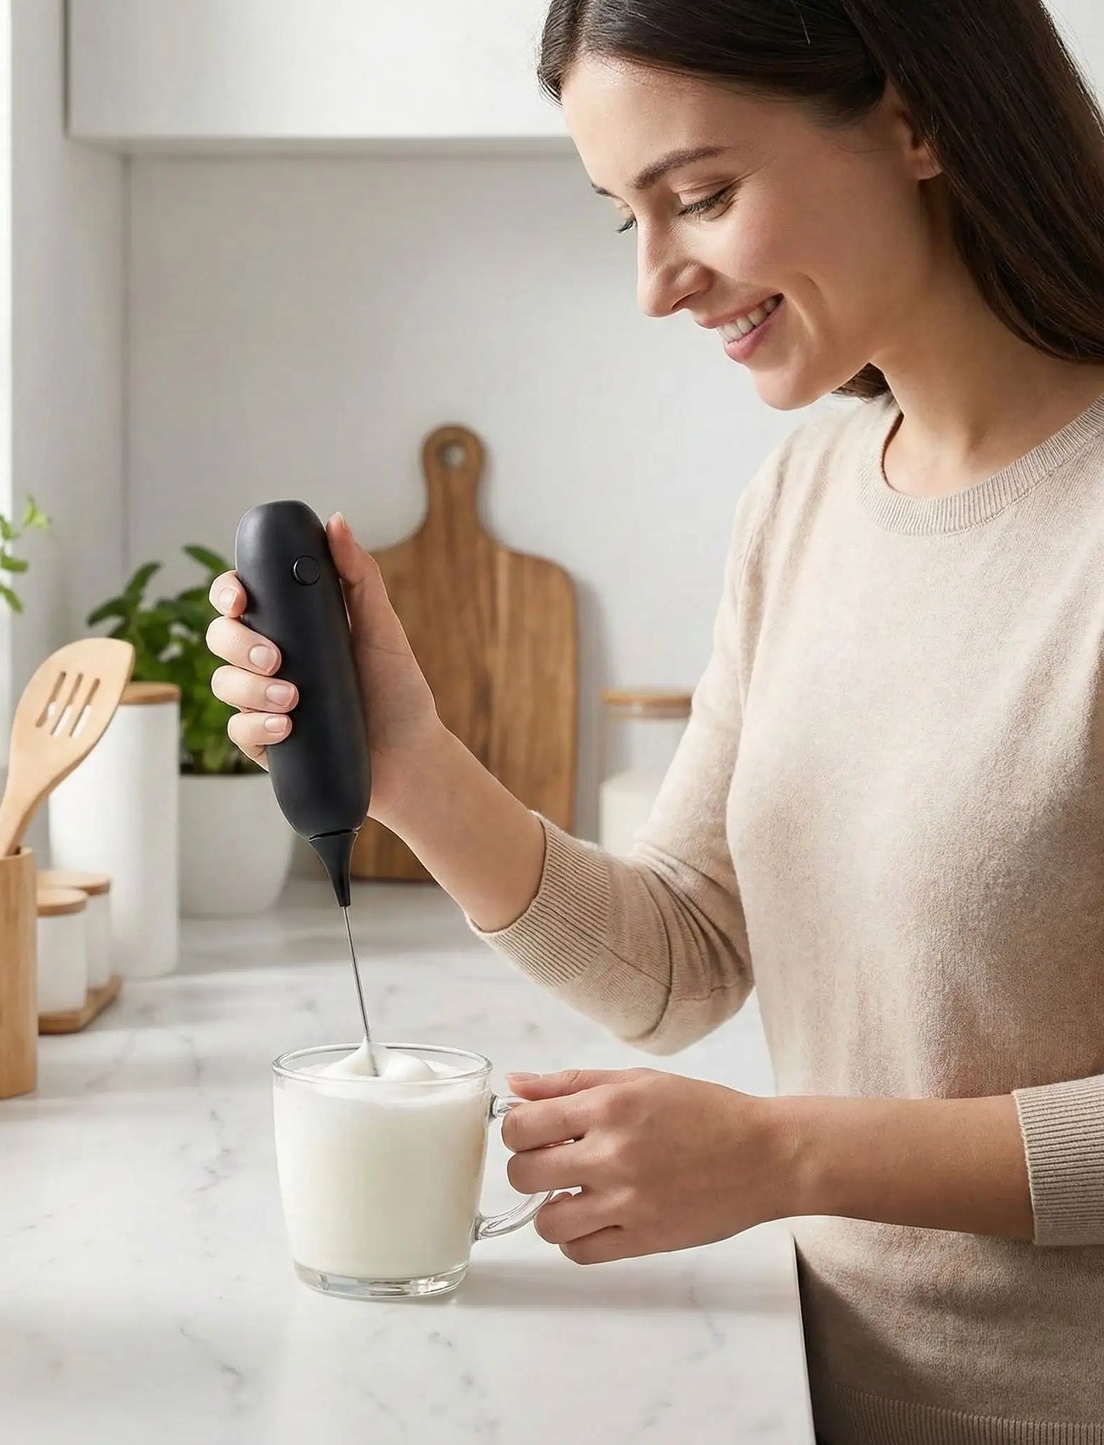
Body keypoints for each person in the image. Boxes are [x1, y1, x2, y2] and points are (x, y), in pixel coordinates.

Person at [205, 1, 1104, 1439]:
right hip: (837, 1388)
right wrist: (412, 761)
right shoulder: (805, 503)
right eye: (622, 216)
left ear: (915, 116)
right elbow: (683, 956)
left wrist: (776, 1150)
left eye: (699, 196)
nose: (654, 282)